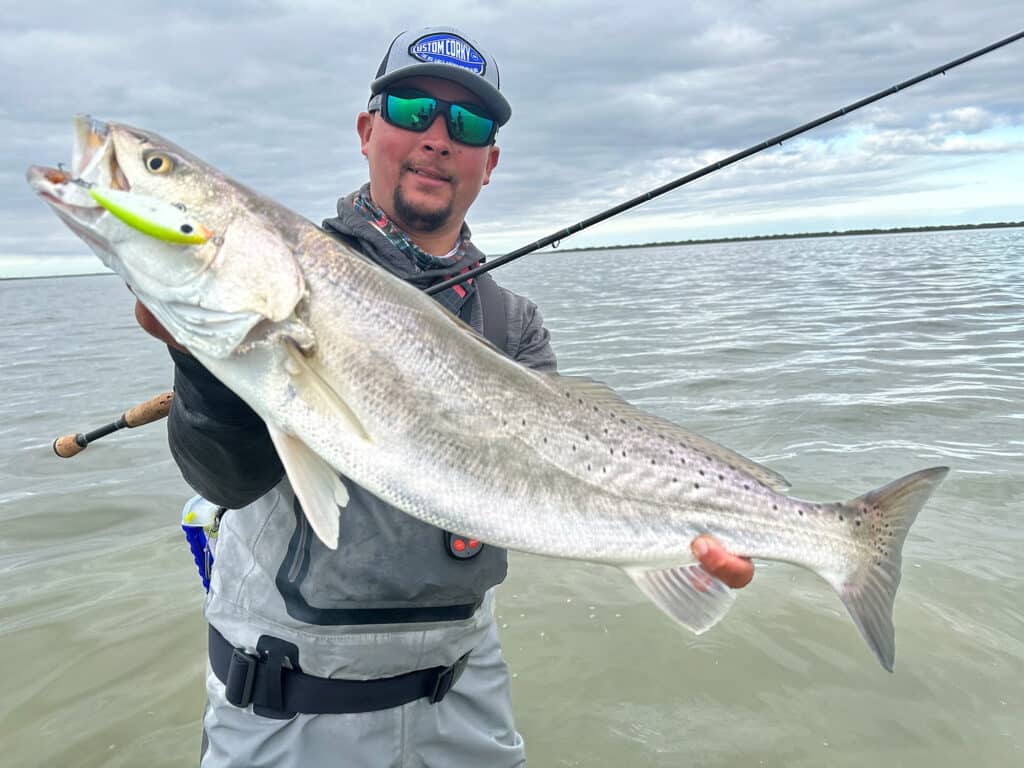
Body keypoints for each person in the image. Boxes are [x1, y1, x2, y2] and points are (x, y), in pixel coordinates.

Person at [136, 25, 754, 768]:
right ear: (367, 130)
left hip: (465, 698)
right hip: (286, 700)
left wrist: (686, 544)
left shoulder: (512, 323)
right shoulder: (286, 271)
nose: (437, 137)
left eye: (466, 124)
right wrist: (201, 364)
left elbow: (556, 486)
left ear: (488, 162)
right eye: (410, 109)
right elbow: (226, 480)